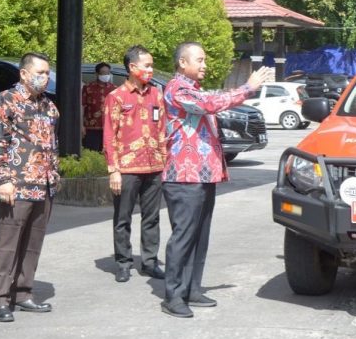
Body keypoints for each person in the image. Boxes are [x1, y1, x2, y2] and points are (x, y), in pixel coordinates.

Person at [160, 42, 270, 318]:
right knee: (184, 236)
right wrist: (248, 86)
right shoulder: (177, 88)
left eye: (204, 59)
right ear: (182, 63)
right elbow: (211, 104)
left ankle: (192, 287)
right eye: (199, 59)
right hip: (183, 176)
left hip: (202, 173)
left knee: (200, 235)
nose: (204, 64)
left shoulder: (194, 89)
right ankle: (173, 295)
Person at [0, 52, 59, 323]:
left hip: (44, 183)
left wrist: (54, 175)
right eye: (40, 72)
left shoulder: (48, 106)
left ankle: (24, 292)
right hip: (17, 184)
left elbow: (53, 143)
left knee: (33, 242)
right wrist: (4, 178)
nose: (45, 77)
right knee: (9, 243)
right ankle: (0, 299)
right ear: (24, 74)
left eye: (47, 72)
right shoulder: (4, 101)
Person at [103, 46, 167, 283]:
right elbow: (109, 135)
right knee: (123, 217)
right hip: (127, 168)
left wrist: (165, 162)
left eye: (151, 66)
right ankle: (123, 262)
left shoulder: (157, 95)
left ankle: (150, 262)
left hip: (154, 166)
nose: (150, 70)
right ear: (132, 67)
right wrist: (114, 170)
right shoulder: (116, 97)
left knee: (152, 217)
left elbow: (162, 130)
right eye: (147, 65)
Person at [82, 61, 116, 151]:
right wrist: (81, 125)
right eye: (103, 73)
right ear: (97, 74)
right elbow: (82, 106)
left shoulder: (114, 89)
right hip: (91, 128)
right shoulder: (88, 88)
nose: (106, 75)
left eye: (107, 73)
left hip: (109, 127)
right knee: (91, 153)